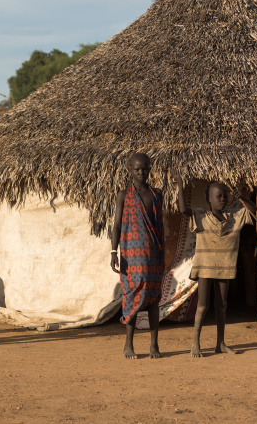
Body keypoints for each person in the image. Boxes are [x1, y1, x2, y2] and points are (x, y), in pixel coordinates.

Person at [174, 172, 256, 357]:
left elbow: (254, 211)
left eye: (225, 196)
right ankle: (195, 343)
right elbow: (183, 210)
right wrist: (180, 185)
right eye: (218, 196)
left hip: (225, 267)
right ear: (208, 199)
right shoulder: (201, 215)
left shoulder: (234, 216)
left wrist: (241, 197)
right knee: (203, 305)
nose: (222, 199)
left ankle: (221, 343)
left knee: (222, 305)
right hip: (205, 266)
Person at [111, 153, 164, 359]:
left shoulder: (157, 194)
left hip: (153, 254)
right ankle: (128, 345)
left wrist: (162, 254)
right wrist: (114, 252)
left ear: (150, 168)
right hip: (131, 256)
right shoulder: (123, 195)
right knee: (131, 296)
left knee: (152, 300)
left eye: (144, 168)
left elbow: (159, 227)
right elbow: (116, 225)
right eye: (136, 169)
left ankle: (154, 345)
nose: (141, 173)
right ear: (129, 170)